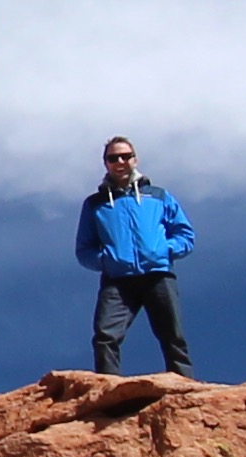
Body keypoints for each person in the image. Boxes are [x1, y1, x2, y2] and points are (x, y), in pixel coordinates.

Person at [76, 136, 197, 374]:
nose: (120, 161)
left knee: (172, 335)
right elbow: (84, 249)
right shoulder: (95, 203)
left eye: (125, 156)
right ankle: (108, 396)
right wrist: (108, 261)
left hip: (158, 274)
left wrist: (164, 251)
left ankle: (186, 390)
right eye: (113, 158)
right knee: (105, 336)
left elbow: (185, 233)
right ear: (106, 163)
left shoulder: (158, 196)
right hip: (118, 280)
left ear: (135, 159)